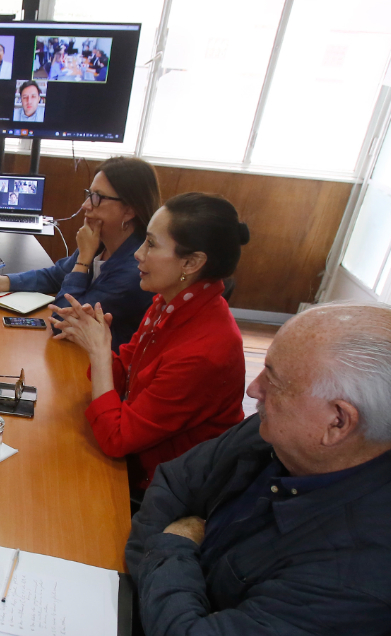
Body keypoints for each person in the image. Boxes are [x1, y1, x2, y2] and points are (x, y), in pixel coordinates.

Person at [127, 303, 391, 635]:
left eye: (274, 379)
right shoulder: (278, 433)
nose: (254, 389)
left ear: (337, 421)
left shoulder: (359, 578)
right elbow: (172, 482)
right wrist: (154, 585)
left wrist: (174, 541)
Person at [51, 193, 249, 491]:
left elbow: (117, 439)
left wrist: (101, 353)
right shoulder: (167, 303)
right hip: (137, 457)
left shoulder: (206, 351)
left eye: (152, 244)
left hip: (164, 490)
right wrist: (94, 340)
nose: (138, 254)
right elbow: (125, 380)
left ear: (192, 262)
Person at [0, 156, 160, 350]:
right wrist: (7, 281)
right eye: (89, 195)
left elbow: (63, 319)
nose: (86, 205)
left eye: (97, 198)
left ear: (129, 211)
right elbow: (57, 275)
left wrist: (84, 260)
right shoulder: (101, 242)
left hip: (104, 367)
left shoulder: (135, 269)